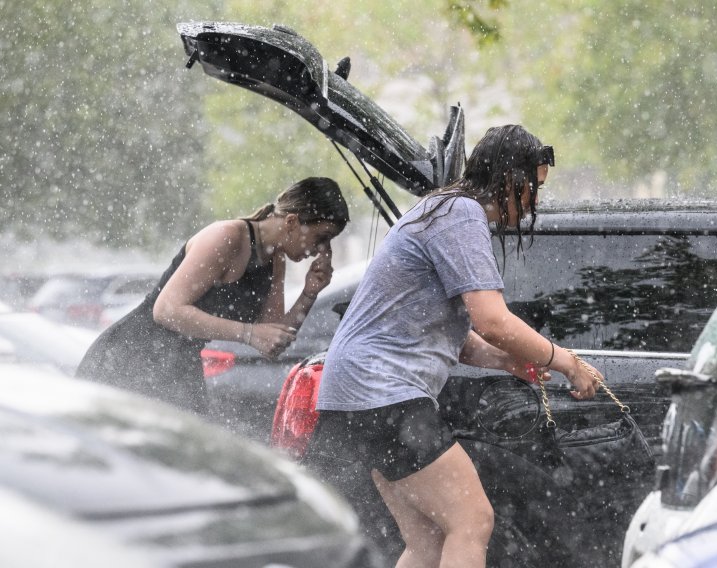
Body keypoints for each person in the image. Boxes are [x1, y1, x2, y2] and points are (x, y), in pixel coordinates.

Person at [307, 125, 603, 568]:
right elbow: (493, 319)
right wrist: (567, 362)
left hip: (356, 395)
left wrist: (507, 361)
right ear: (507, 178)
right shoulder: (460, 215)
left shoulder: (441, 211)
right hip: (382, 393)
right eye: (531, 189)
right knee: (472, 520)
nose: (533, 204)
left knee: (426, 543)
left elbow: (457, 338)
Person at [77, 176, 349, 414]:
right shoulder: (227, 236)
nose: (321, 249)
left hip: (177, 365)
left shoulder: (276, 260)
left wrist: (309, 294)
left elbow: (271, 341)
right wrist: (248, 333)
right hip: (133, 356)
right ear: (292, 222)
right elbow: (166, 310)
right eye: (321, 237)